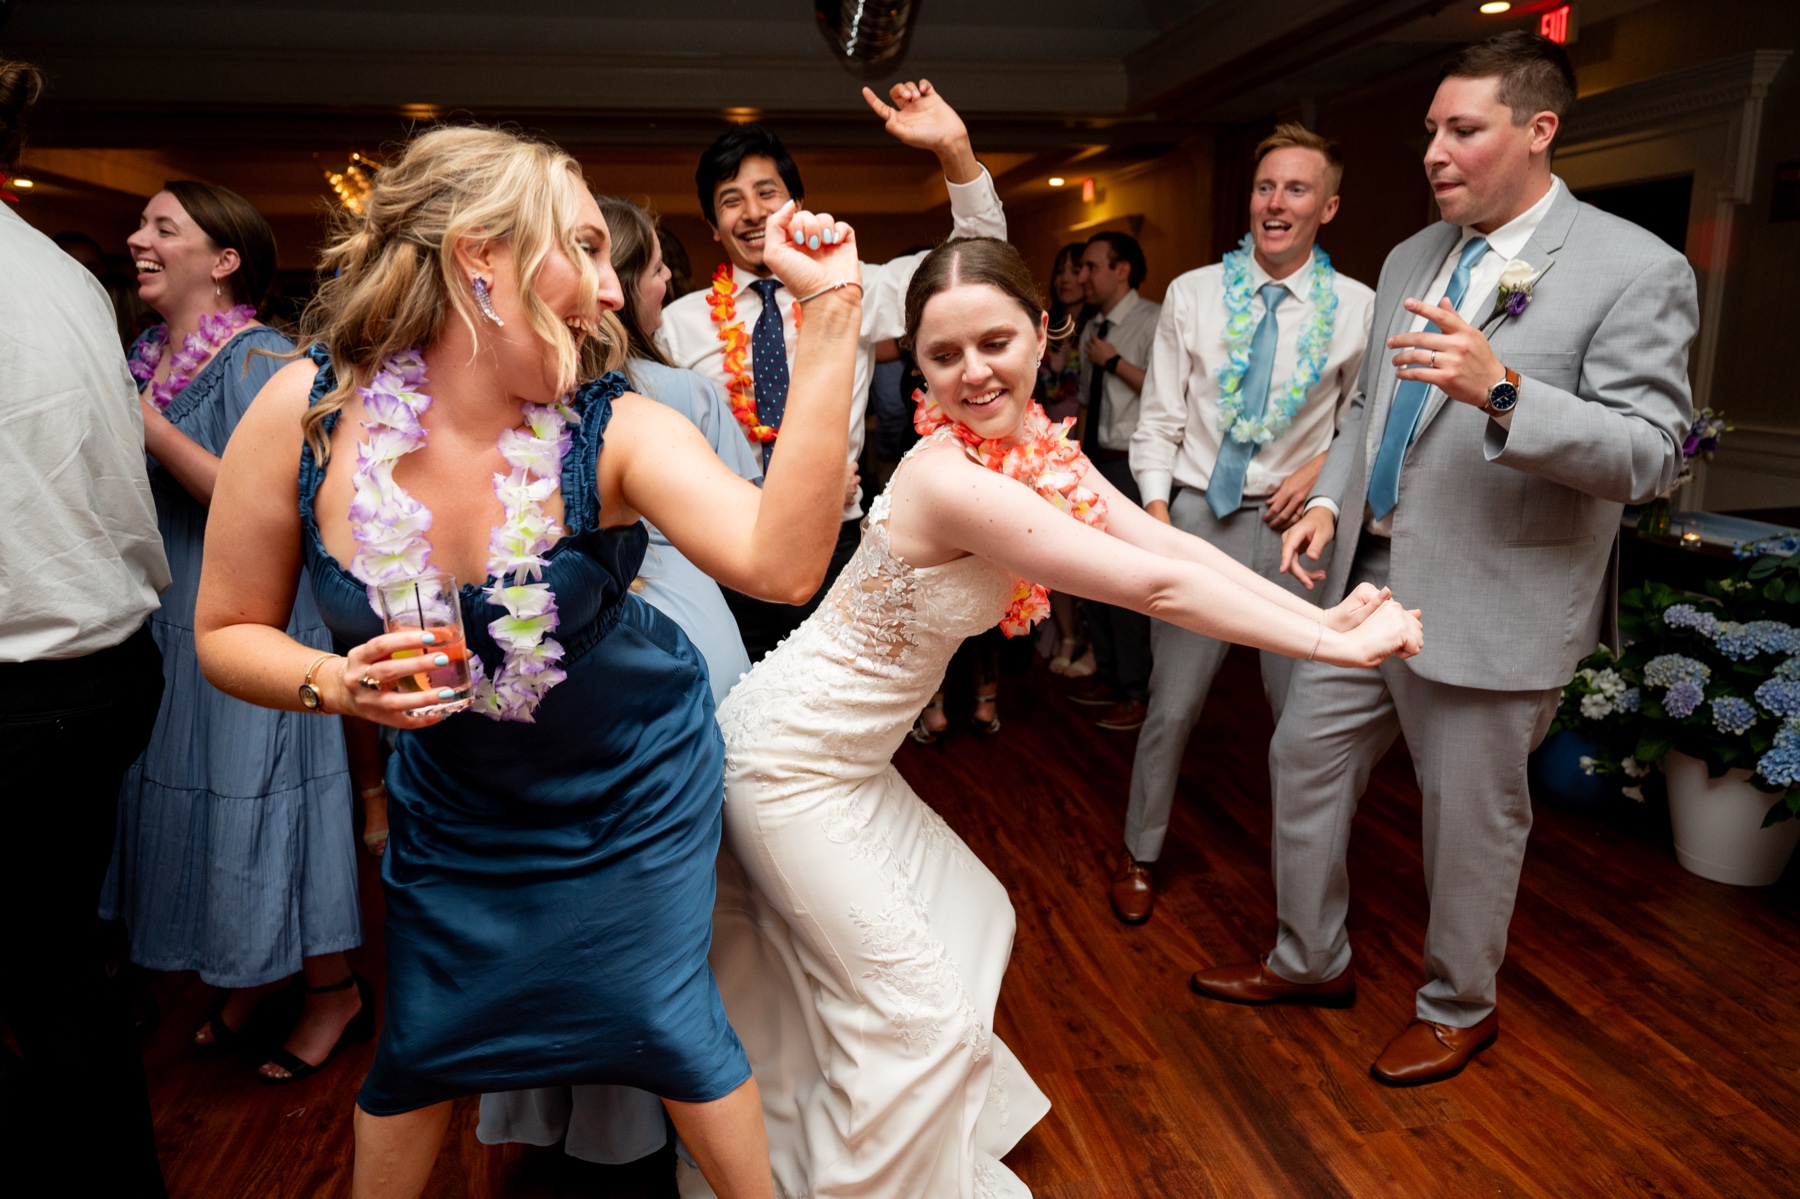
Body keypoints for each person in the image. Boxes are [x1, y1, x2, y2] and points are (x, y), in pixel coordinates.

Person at [192, 123, 861, 1199]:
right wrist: (341, 682)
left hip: (630, 779)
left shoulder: (615, 425)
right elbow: (224, 629)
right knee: (417, 1050)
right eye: (586, 247)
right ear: (479, 257)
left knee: (671, 1025)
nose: (609, 288)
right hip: (457, 799)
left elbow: (782, 565)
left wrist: (830, 322)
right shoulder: (306, 411)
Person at [692, 236, 1422, 1198]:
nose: (972, 372)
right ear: (917, 364)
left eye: (994, 341)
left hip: (847, 762)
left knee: (970, 912)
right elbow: (1159, 585)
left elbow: (1162, 543)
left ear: (1044, 332)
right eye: (943, 356)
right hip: (786, 764)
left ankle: (839, 1147)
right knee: (922, 1014)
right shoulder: (948, 477)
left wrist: (1320, 614)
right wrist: (1332, 647)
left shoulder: (1035, 452)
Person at [1191, 32, 1696, 1087]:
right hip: (1365, 586)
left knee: (1468, 823)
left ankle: (1459, 1006)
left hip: (1494, 602)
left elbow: (1653, 457)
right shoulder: (1414, 255)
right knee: (1301, 757)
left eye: (1462, 129)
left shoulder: (1637, 268)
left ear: (1537, 130)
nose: (1434, 150)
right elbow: (1370, 403)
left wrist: (1504, 390)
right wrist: (1330, 499)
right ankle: (1310, 957)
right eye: (1431, 129)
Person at [475, 192, 765, 1172]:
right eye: (648, 271)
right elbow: (745, 536)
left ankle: (560, 1118)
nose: (644, 286)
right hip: (679, 637)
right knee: (677, 890)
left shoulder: (496, 395)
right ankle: (664, 1114)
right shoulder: (678, 396)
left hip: (540, 647)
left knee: (554, 884)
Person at [97, 180, 369, 1085]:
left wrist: (144, 428)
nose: (139, 237)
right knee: (204, 802)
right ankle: (253, 972)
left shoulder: (260, 361)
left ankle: (333, 990)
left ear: (223, 261)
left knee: (268, 796)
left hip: (257, 613)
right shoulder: (143, 353)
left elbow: (266, 502)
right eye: (141, 224)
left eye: (162, 227)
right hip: (172, 613)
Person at [1110, 124, 1377, 925]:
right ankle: (1139, 851)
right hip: (1197, 516)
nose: (1276, 202)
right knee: (1174, 705)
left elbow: (1360, 423)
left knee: (1306, 718)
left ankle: (1301, 890)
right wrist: (1159, 519)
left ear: (1327, 206)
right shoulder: (1192, 294)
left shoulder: (1360, 308)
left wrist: (1314, 473)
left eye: (1297, 189)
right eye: (1266, 187)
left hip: (1301, 531)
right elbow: (1157, 420)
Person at [659, 79, 1006, 660]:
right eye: (730, 199)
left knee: (834, 705)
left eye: (766, 192)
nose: (752, 213)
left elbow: (975, 261)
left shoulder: (851, 286)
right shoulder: (680, 323)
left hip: (840, 540)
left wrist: (955, 150)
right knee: (737, 705)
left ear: (794, 203)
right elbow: (667, 447)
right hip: (725, 544)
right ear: (712, 225)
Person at [0, 56, 171, 1197]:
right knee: (58, 977)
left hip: (30, 682)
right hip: (98, 669)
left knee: (48, 988)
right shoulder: (56, 267)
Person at [1067, 231, 1159, 730]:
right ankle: (1107, 673)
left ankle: (1137, 691)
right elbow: (1083, 401)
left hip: (1133, 463)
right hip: (1094, 461)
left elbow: (1166, 392)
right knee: (1091, 575)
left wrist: (1115, 362)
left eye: (1091, 267)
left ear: (1122, 270)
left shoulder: (1154, 320)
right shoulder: (1090, 328)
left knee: (1126, 582)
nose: (1082, 277)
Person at [1038, 241, 1096, 676]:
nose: (1066, 278)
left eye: (1077, 269)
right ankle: (1066, 633)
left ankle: (1091, 643)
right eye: (1061, 269)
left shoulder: (1098, 327)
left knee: (1090, 554)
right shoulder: (1044, 327)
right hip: (1043, 451)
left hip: (1085, 448)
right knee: (1053, 553)